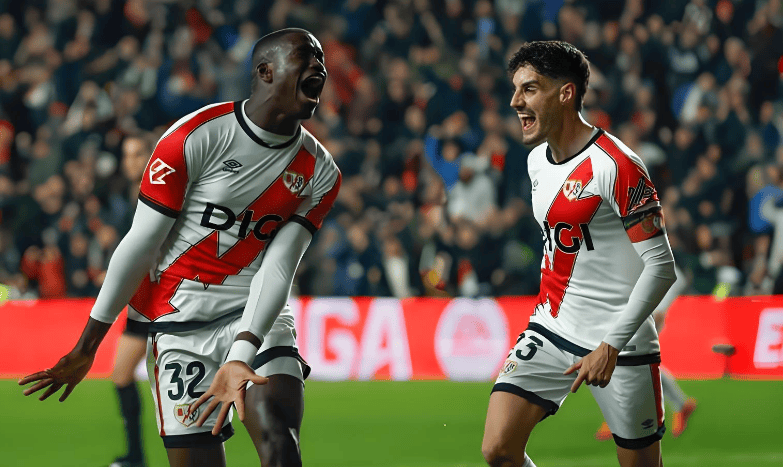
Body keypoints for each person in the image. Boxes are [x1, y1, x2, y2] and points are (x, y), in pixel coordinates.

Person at [20, 28, 341, 467]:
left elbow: (279, 266)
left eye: (321, 59)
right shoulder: (197, 136)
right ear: (266, 72)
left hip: (253, 315)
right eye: (306, 56)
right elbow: (141, 242)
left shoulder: (321, 172)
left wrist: (241, 353)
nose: (319, 66)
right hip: (179, 325)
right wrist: (87, 345)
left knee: (278, 441)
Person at [481, 41, 677, 467]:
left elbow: (662, 267)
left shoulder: (618, 166)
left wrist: (611, 345)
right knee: (498, 449)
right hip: (551, 327)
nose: (515, 101)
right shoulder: (536, 161)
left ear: (565, 93)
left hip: (620, 342)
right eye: (515, 89)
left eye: (530, 89)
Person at [595, 264, 697, 441]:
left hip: (647, 313)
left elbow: (675, 276)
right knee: (638, 363)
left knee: (625, 361)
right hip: (633, 311)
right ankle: (682, 405)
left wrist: (660, 309)